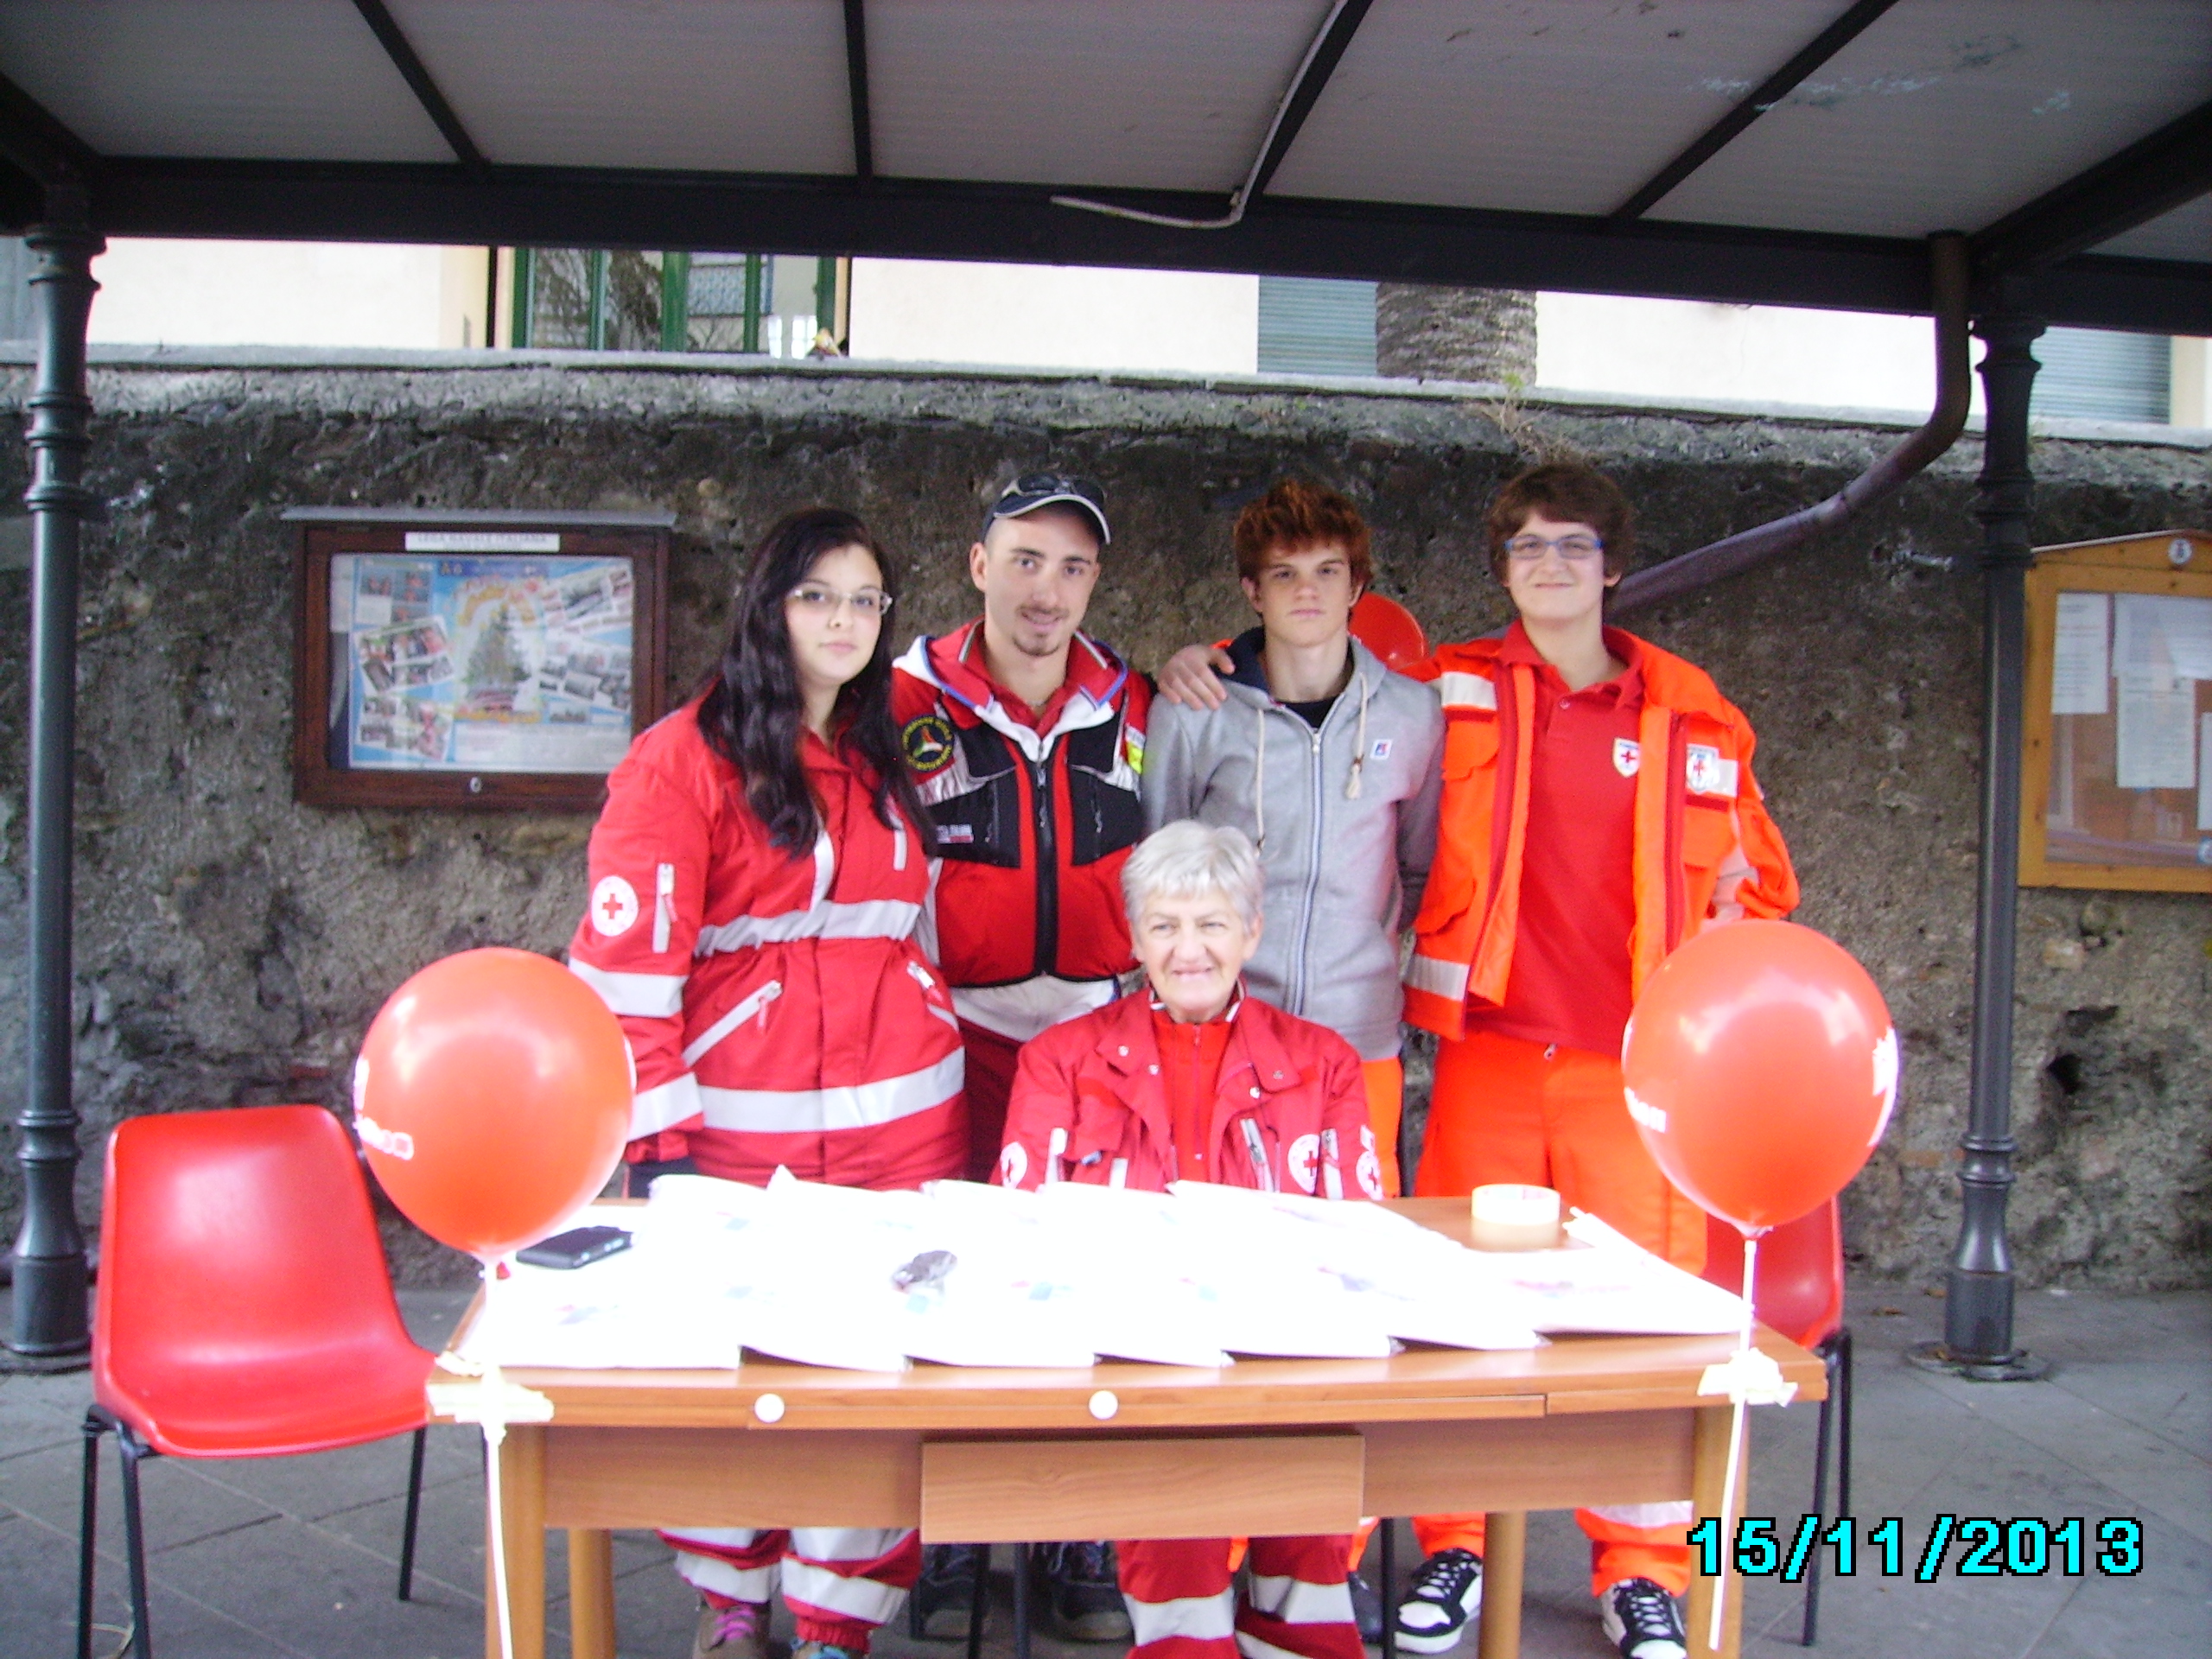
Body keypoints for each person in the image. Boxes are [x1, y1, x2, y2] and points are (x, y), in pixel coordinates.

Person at [1158, 464, 1799, 1659]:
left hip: (1631, 1076)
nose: (1550, 565)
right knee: (1447, 1315)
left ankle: (1644, 1565)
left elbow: (1760, 876)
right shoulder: (1447, 689)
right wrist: (1201, 655)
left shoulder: (1695, 712)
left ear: (1613, 564)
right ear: (1500, 567)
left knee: (1645, 1328)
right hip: (1487, 1058)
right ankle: (1449, 1546)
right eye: (1526, 547)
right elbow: (1312, 657)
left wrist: (1733, 916)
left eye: (1574, 545)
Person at [567, 507, 963, 1659]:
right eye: (819, 596)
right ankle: (731, 1603)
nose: (845, 621)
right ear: (769, 605)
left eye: (866, 601)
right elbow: (622, 984)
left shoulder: (884, 745)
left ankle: (840, 1623)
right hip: (742, 1143)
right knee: (736, 1378)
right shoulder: (681, 758)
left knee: (874, 1385)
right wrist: (661, 1145)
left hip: (903, 1137)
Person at [998, 819, 1376, 1659]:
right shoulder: (1058, 1061)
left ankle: (1297, 1631)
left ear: (1251, 931)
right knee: (1171, 1493)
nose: (1188, 949)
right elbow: (1021, 1245)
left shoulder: (1326, 1063)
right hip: (1133, 1372)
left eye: (1211, 923)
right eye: (1164, 925)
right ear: (1134, 937)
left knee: (1314, 1492)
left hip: (1287, 1367)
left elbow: (1357, 1244)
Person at [890, 471, 1148, 1641]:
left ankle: (1076, 1529)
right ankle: (942, 1539)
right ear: (979, 563)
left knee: (1087, 1281)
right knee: (948, 1280)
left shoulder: (1137, 703)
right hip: (958, 1038)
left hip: (1095, 1042)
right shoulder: (896, 699)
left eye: (1074, 567)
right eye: (1027, 560)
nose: (1049, 592)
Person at [1141, 477, 1440, 1199]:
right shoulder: (1195, 710)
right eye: (1284, 574)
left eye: (1326, 572)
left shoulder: (1413, 715)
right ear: (1253, 591)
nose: (1306, 592)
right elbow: (1156, 865)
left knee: (1358, 1247)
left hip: (1358, 1036)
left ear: (1356, 586)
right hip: (1225, 1029)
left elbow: (1418, 865)